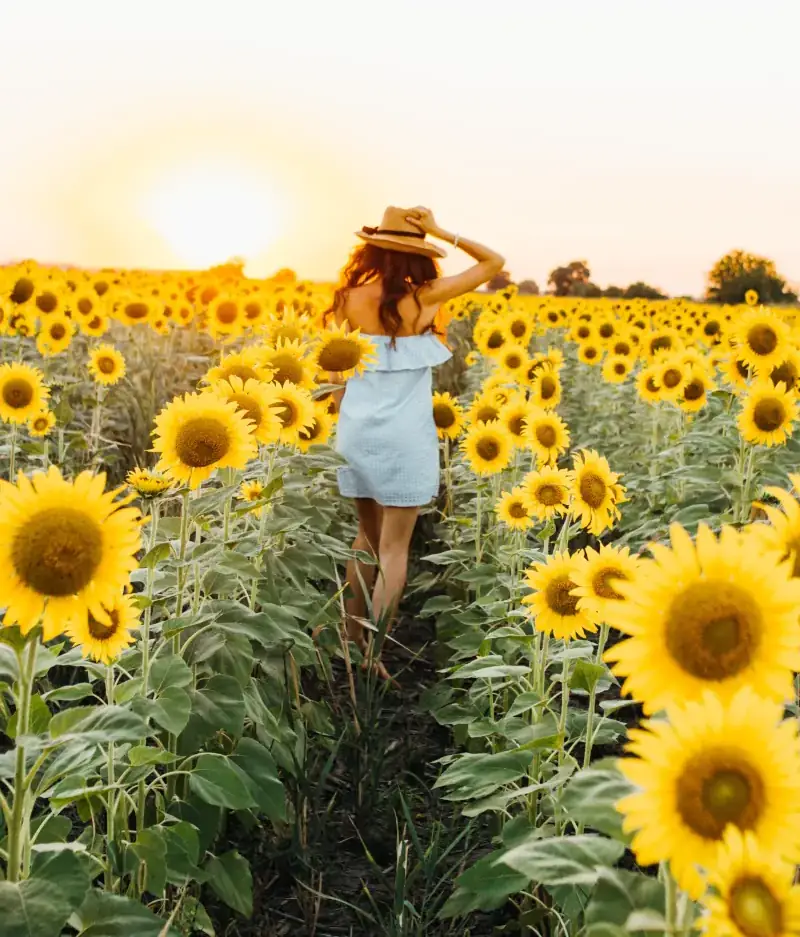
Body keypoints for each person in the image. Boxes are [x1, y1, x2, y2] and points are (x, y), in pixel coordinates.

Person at [324, 205, 504, 675]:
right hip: (406, 437)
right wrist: (443, 231)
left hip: (357, 432)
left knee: (365, 539)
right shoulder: (425, 297)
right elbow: (493, 263)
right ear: (419, 255)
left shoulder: (347, 299)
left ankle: (350, 640)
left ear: (373, 248)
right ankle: (375, 654)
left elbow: (331, 375)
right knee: (393, 551)